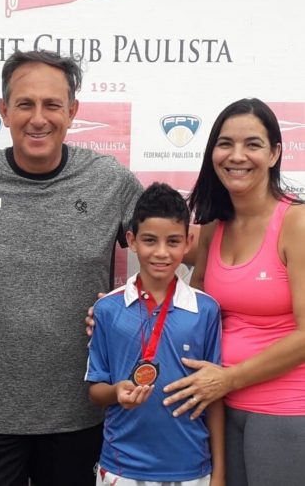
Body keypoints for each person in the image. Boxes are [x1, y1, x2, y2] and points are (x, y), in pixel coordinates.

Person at [0, 49, 144, 486]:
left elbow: (166, 241)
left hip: (81, 412)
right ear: (3, 110)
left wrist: (127, 309)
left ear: (72, 111)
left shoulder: (108, 180)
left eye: (52, 105)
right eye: (25, 104)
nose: (39, 118)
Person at [161, 98, 305, 486]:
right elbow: (189, 310)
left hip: (285, 411)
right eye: (225, 144)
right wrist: (115, 317)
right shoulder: (213, 227)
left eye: (252, 144)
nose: (236, 156)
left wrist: (230, 378)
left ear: (274, 153)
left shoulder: (296, 223)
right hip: (220, 408)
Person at [85, 182, 224, 486]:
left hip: (191, 467)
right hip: (121, 468)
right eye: (150, 240)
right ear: (132, 241)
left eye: (173, 241)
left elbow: (215, 397)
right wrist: (116, 392)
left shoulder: (206, 310)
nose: (161, 253)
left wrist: (220, 473)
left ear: (188, 242)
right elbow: (95, 391)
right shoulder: (107, 309)